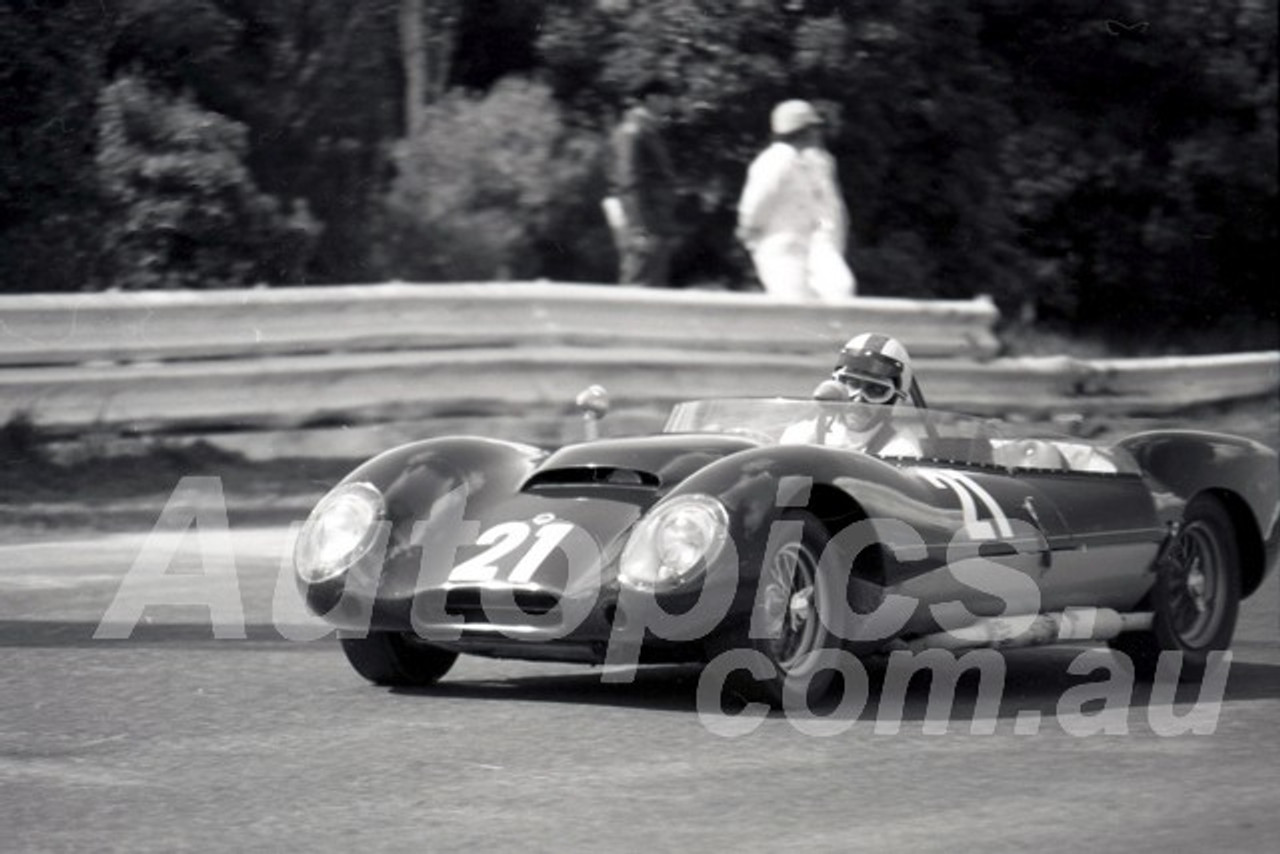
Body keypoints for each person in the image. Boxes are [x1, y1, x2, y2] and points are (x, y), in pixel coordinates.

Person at [736, 99, 856, 302]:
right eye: (814, 128)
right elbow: (756, 203)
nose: (819, 133)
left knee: (841, 288)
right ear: (803, 131)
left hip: (816, 245)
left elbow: (831, 208)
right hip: (781, 246)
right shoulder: (774, 161)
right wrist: (750, 227)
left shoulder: (818, 161)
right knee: (794, 302)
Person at [781, 333, 922, 456]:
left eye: (875, 390)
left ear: (893, 399)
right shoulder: (804, 433)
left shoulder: (902, 449)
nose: (858, 400)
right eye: (852, 384)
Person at [604, 79, 679, 287]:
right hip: (645, 224)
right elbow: (628, 180)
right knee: (638, 284)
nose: (670, 103)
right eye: (666, 97)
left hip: (655, 222)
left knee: (653, 287)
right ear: (651, 98)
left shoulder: (648, 130)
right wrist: (639, 228)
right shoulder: (633, 131)